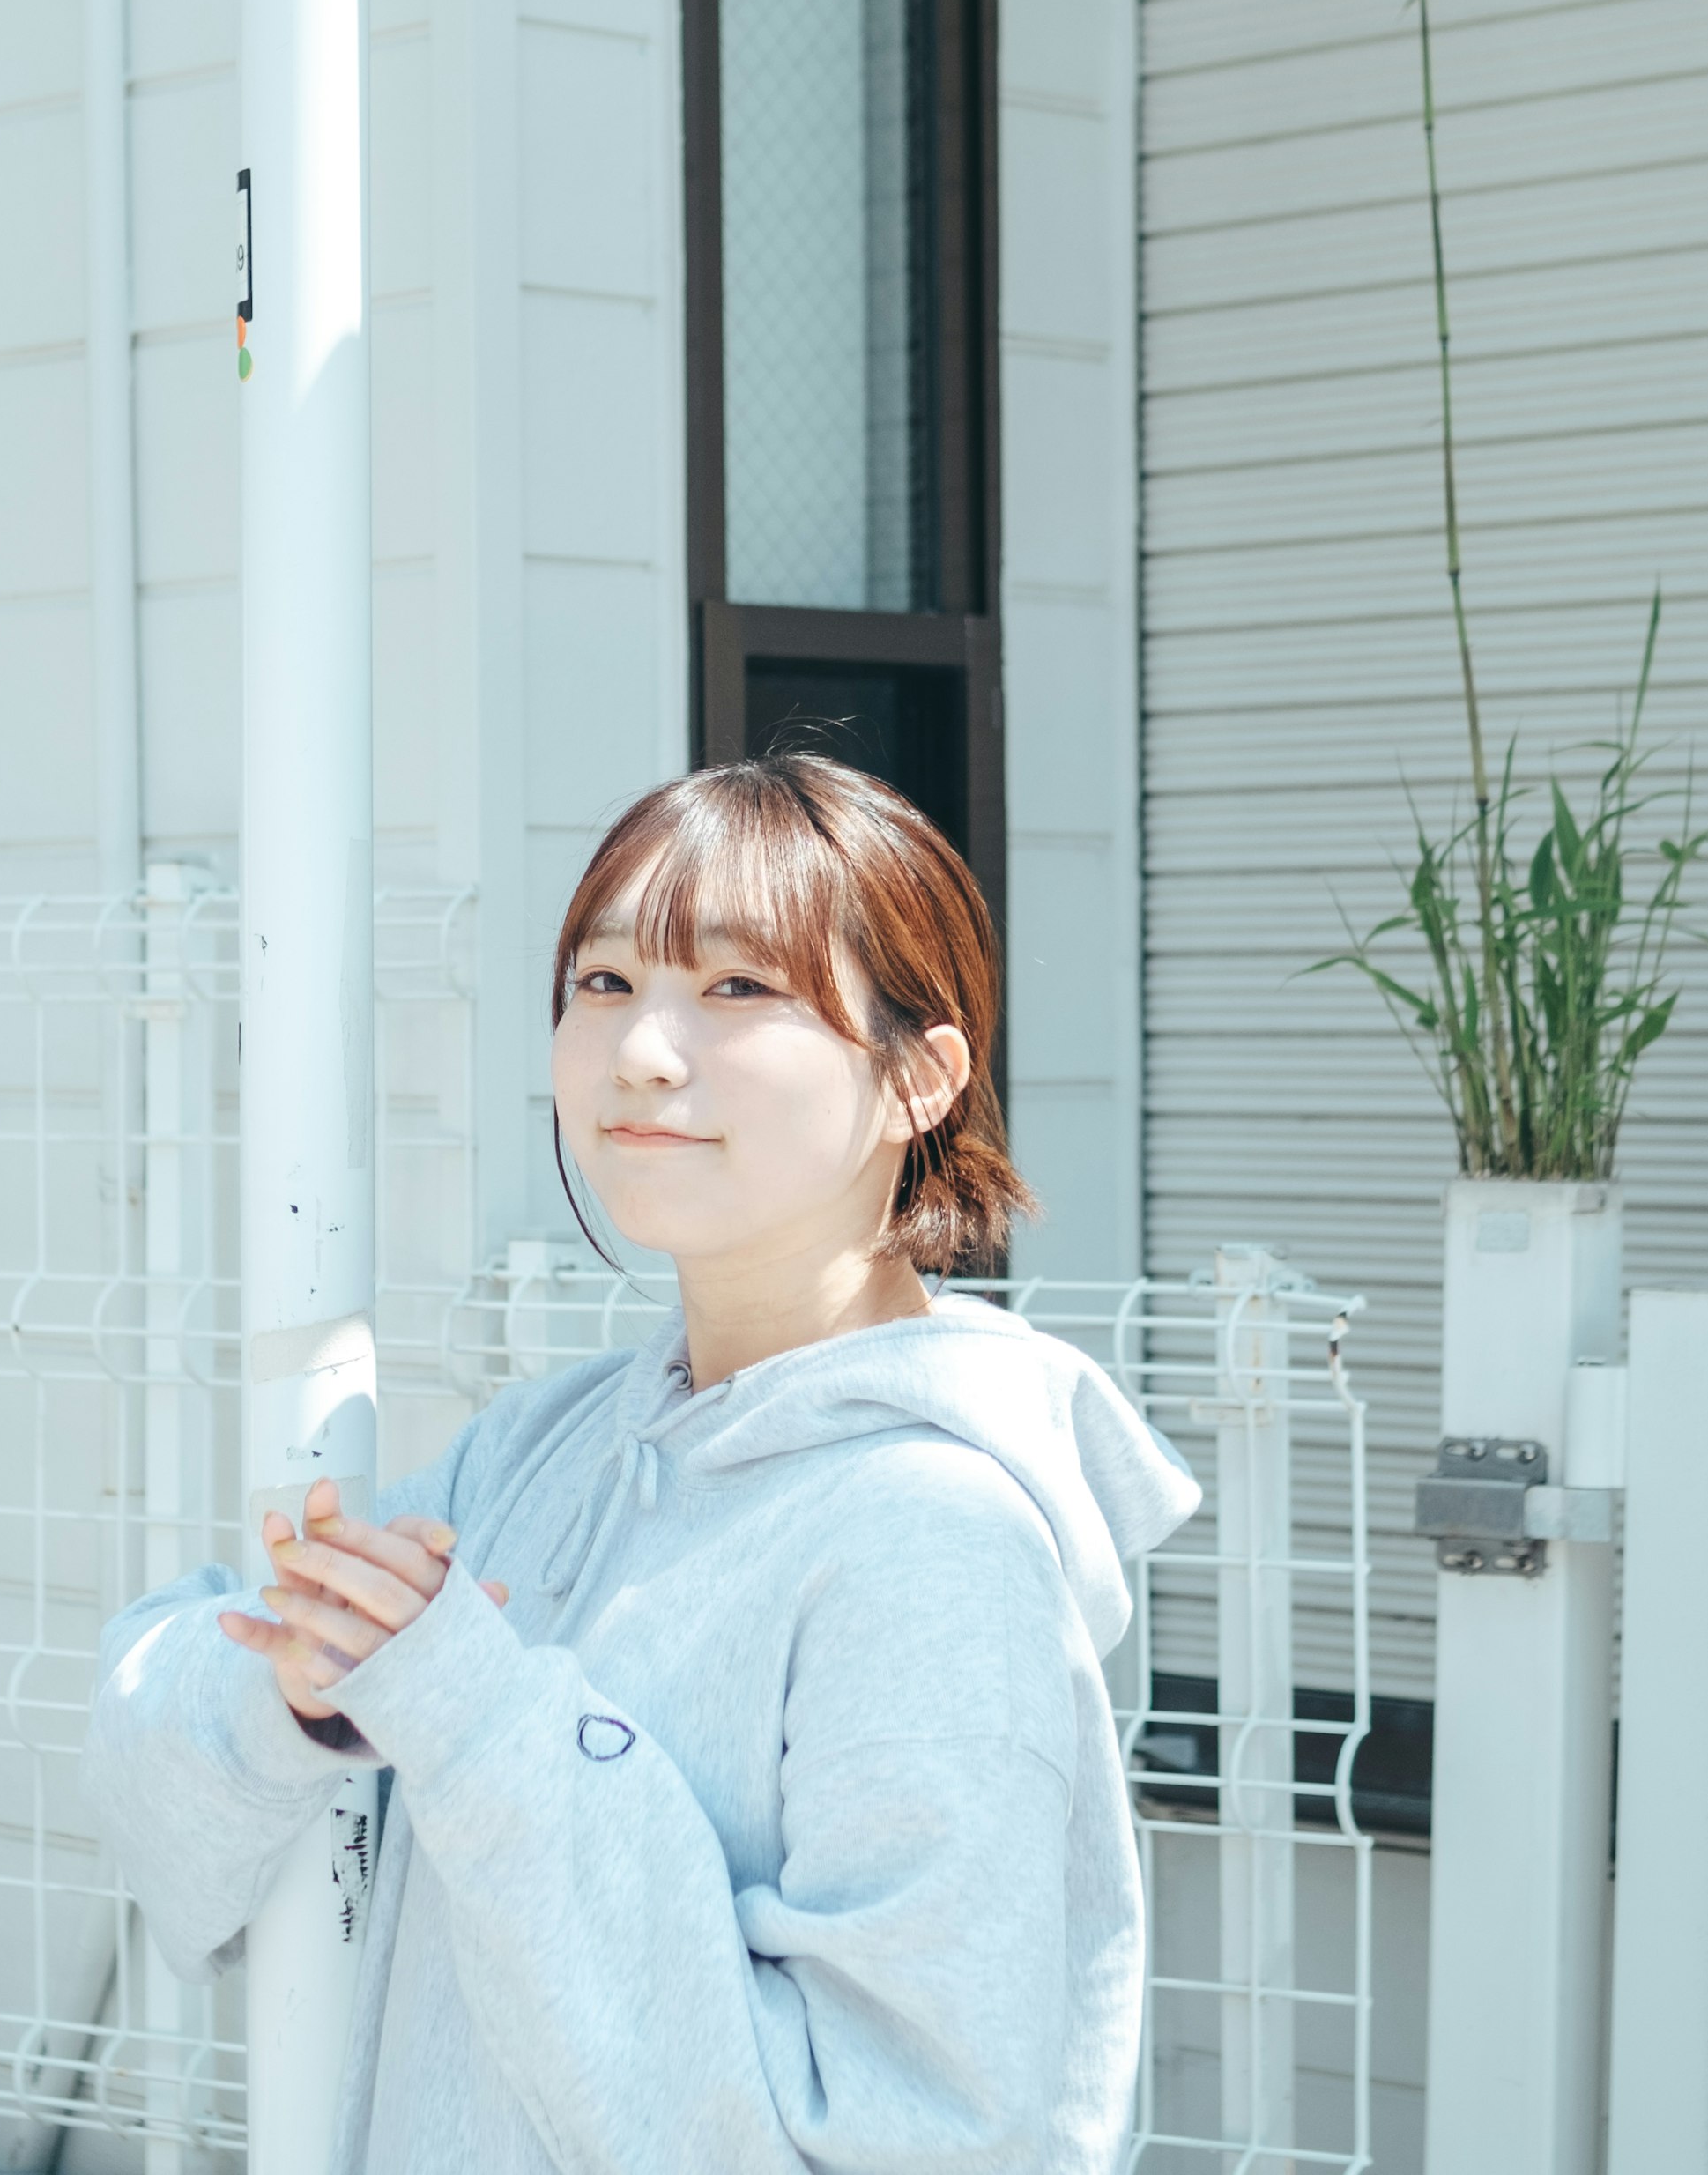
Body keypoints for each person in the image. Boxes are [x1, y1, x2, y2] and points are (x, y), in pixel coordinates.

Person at [84, 754, 1200, 2171]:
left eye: (737, 991)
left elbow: (905, 2140)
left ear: (919, 1079)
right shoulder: (537, 1455)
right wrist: (292, 1696)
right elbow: (152, 1743)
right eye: (603, 985)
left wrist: (476, 1719)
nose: (641, 1054)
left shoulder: (936, 1539)